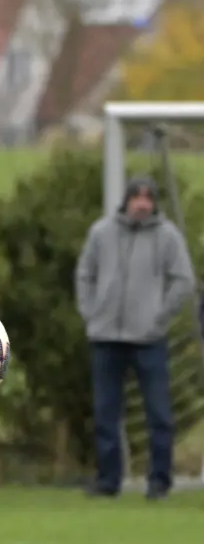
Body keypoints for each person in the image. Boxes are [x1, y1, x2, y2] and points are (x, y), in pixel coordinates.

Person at [77, 176, 193, 500]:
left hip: (149, 339)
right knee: (105, 413)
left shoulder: (168, 236)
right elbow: (85, 274)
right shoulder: (101, 232)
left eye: (148, 198)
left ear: (154, 203)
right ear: (127, 200)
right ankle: (108, 480)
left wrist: (159, 318)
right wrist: (91, 313)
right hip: (105, 338)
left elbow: (182, 280)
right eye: (137, 197)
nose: (142, 204)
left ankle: (159, 481)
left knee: (159, 414)